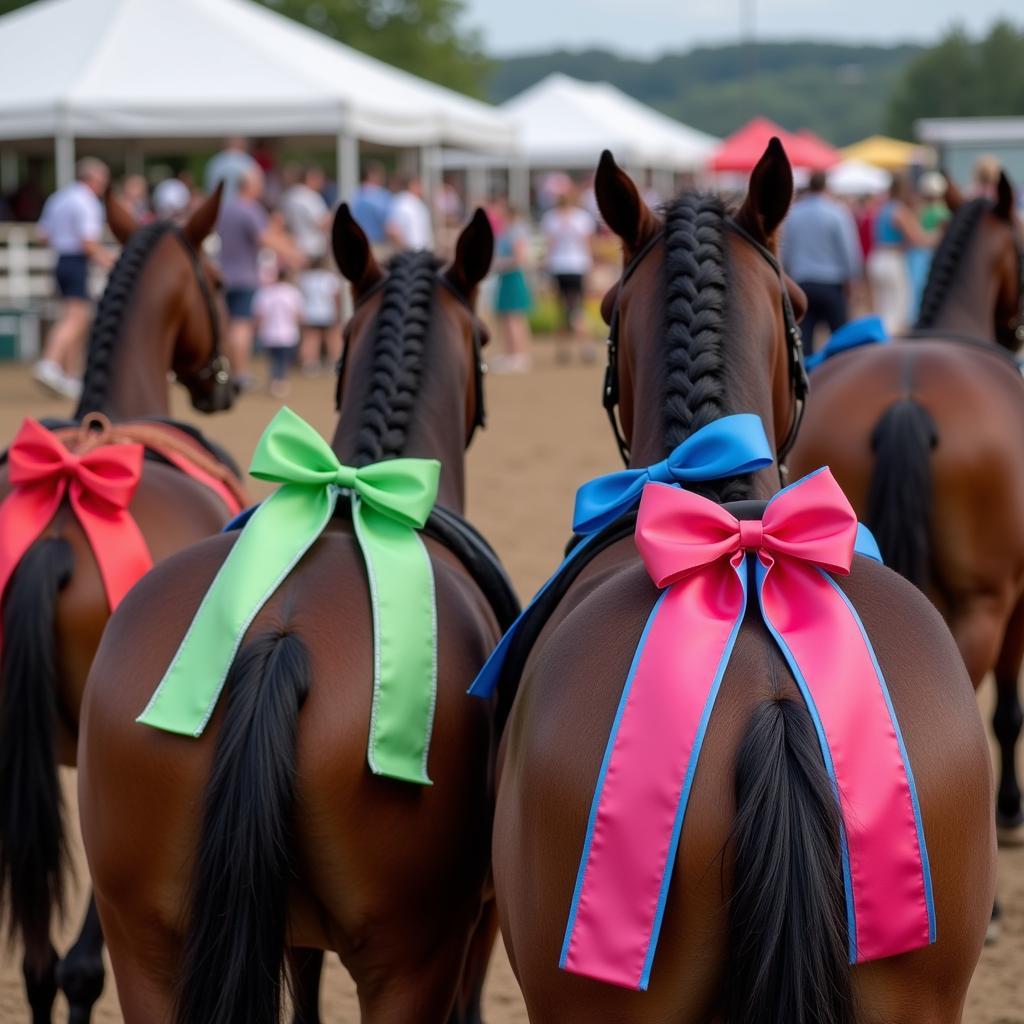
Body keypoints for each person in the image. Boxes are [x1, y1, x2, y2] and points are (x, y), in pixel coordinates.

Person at [34, 157, 114, 399]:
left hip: (60, 260)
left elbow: (42, 235)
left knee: (74, 315)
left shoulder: (59, 198)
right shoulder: (87, 202)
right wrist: (113, 262)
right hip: (76, 262)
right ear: (93, 178)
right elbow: (88, 244)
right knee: (76, 318)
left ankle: (70, 376)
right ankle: (49, 363)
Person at [216, 166, 298, 389]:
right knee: (241, 326)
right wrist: (292, 254)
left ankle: (232, 371)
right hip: (244, 276)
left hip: (224, 274)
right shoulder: (250, 209)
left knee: (229, 325)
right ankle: (241, 374)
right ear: (250, 186)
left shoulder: (225, 208)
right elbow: (265, 238)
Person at [780, 170, 862, 353]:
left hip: (802, 284)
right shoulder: (837, 212)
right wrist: (852, 280)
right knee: (842, 340)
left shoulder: (794, 214)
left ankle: (808, 378)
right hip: (832, 284)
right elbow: (849, 250)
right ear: (826, 186)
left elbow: (785, 252)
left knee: (804, 342)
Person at [866, 176, 933, 336]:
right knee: (897, 308)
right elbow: (918, 238)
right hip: (892, 260)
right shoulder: (899, 211)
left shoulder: (881, 209)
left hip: (877, 258)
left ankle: (879, 342)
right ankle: (886, 345)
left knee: (883, 307)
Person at [541, 189, 596, 363]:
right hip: (578, 266)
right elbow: (588, 245)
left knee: (563, 310)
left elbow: (550, 246)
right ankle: (585, 347)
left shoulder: (551, 218)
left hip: (559, 266)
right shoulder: (582, 218)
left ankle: (563, 350)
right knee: (577, 308)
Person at [491, 201, 533, 374]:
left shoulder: (516, 232)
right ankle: (510, 353)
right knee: (506, 318)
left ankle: (519, 354)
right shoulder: (506, 231)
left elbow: (519, 258)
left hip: (513, 277)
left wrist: (498, 265)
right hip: (506, 278)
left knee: (514, 318)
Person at [253, 266, 303, 399]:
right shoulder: (292, 292)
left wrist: (256, 330)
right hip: (288, 334)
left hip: (269, 334)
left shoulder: (265, 293)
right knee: (283, 360)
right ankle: (280, 383)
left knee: (273, 360)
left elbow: (259, 315)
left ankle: (274, 382)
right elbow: (297, 314)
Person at [298, 254, 342, 375]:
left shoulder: (305, 278)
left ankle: (309, 364)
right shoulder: (330, 278)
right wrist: (337, 313)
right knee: (332, 338)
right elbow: (336, 298)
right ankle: (335, 362)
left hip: (310, 313)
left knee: (310, 339)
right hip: (327, 312)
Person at [281, 164, 331, 265]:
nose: (322, 182)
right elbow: (321, 223)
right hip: (313, 249)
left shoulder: (289, 195)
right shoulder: (310, 196)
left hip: (294, 246)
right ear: (310, 177)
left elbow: (281, 221)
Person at [386, 175, 434, 252]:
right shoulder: (401, 202)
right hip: (411, 253)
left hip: (421, 252)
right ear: (412, 185)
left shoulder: (416, 202)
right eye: (419, 184)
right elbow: (392, 230)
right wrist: (405, 251)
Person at [203, 137, 258, 201]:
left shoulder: (215, 162)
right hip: (241, 204)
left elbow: (207, 187)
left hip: (218, 204)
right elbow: (256, 187)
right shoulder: (247, 162)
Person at [350, 162, 392, 246]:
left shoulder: (353, 193)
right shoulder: (382, 196)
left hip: (354, 244)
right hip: (376, 244)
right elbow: (390, 226)